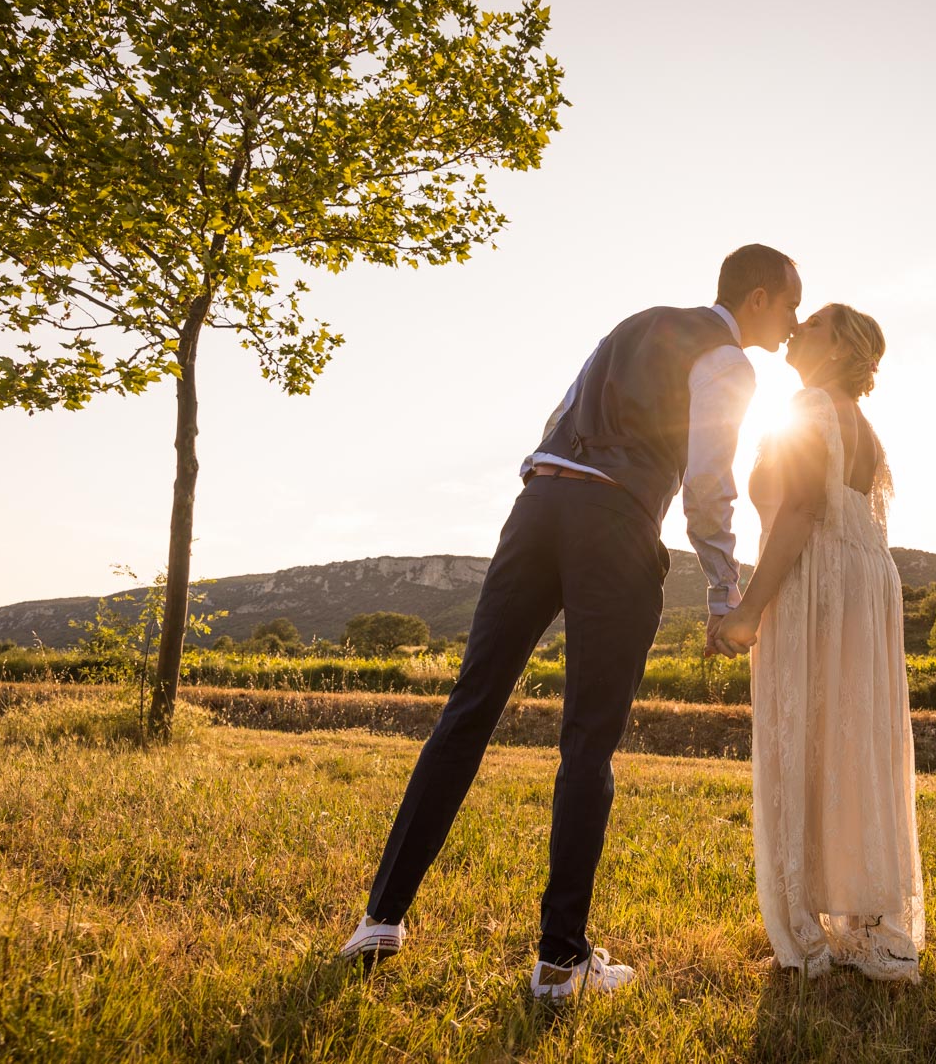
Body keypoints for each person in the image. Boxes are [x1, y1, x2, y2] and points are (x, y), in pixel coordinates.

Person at [340, 245, 801, 999]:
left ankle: (380, 918)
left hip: (538, 507)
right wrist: (724, 590)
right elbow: (709, 479)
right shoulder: (728, 361)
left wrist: (546, 483)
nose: (792, 324)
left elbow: (560, 414)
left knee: (467, 712)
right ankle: (559, 960)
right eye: (789, 306)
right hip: (611, 522)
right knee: (588, 740)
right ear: (755, 299)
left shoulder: (632, 325)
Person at [714, 304, 924, 983]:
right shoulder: (860, 423)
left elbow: (801, 509)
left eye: (817, 321)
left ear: (838, 348)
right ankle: (866, 924)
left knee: (806, 732)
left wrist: (748, 609)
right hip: (866, 582)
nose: (798, 324)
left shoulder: (808, 406)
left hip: (821, 582)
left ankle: (807, 928)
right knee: (853, 738)